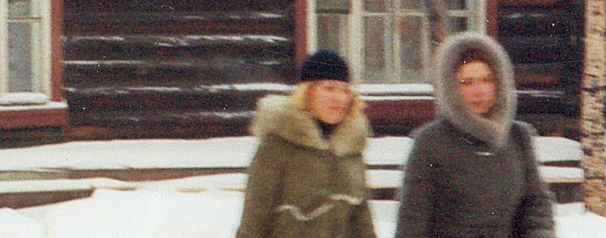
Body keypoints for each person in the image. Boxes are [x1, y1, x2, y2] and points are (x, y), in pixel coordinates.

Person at [394, 31, 555, 238]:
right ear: (451, 88)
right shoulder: (431, 142)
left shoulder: (517, 137)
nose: (478, 91)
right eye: (466, 82)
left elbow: (536, 205)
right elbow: (412, 221)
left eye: (486, 80)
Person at [236, 48, 376, 238]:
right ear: (307, 92)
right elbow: (253, 222)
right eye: (328, 88)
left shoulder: (351, 149)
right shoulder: (278, 146)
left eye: (344, 90)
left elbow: (363, 224)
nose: (339, 98)